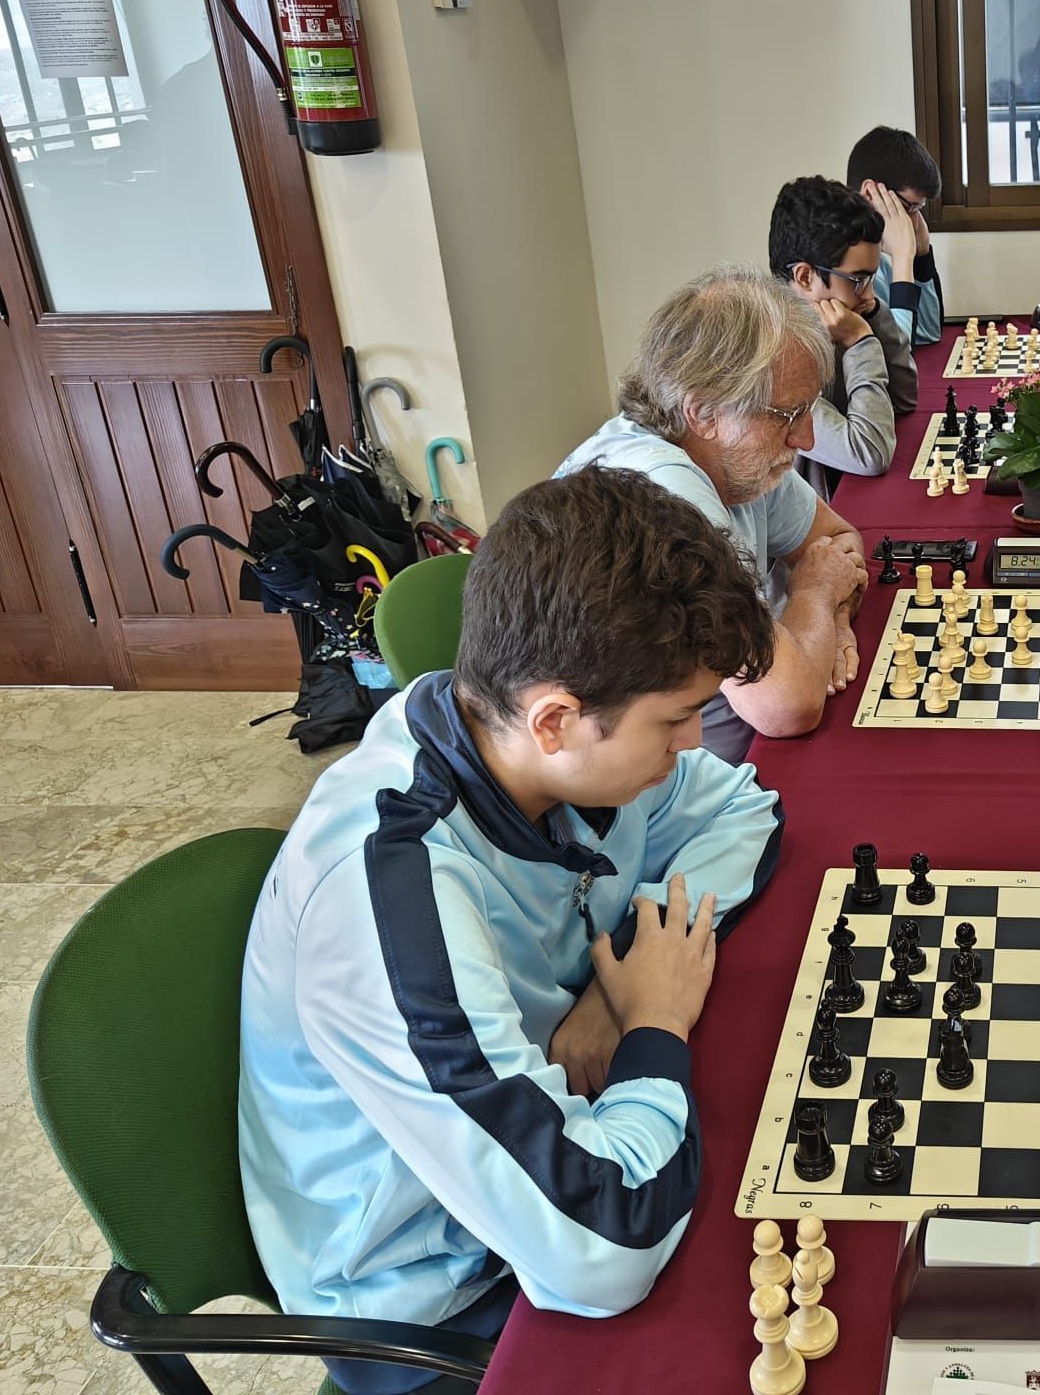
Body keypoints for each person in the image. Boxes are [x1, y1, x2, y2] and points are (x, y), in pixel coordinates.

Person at [238, 467, 786, 1393]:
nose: (694, 744)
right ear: (556, 720)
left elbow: (744, 809)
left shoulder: (534, 747)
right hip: (434, 1295)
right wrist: (654, 1022)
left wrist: (616, 989)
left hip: (548, 1141)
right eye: (675, 720)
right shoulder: (389, 894)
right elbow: (604, 1248)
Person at [558, 266, 870, 762]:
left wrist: (828, 624)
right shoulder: (664, 495)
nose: (807, 439)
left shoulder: (736, 454)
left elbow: (838, 541)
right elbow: (786, 706)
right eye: (789, 415)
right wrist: (815, 593)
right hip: (672, 784)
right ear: (703, 413)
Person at [768, 175, 917, 497]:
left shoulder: (833, 321)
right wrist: (862, 343)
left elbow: (904, 399)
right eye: (857, 280)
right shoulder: (772, 357)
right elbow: (870, 454)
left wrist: (874, 316)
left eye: (872, 278)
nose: (868, 294)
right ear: (805, 277)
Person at [846, 125, 944, 348]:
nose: (913, 222)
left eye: (918, 209)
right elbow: (900, 350)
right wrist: (902, 257)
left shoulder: (880, 259)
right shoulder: (844, 265)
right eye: (908, 207)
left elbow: (928, 333)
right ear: (870, 193)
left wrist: (922, 256)